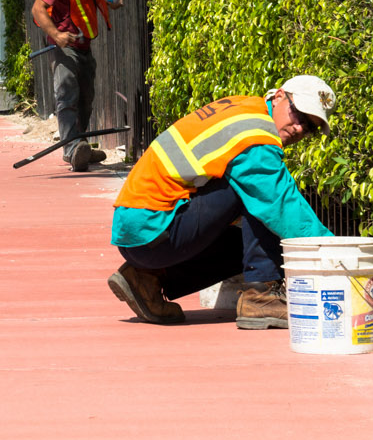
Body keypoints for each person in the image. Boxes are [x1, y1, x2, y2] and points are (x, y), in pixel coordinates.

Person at [105, 77, 337, 330]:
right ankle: (261, 296)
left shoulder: (246, 109)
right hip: (152, 232)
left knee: (246, 240)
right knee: (257, 195)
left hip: (140, 232)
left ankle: (146, 278)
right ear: (279, 95)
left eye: (309, 127)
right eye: (299, 114)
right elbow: (282, 206)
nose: (300, 128)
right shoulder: (255, 138)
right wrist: (335, 253)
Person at [31, 0, 122, 171]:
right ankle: (72, 149)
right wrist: (57, 35)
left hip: (84, 46)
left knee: (86, 99)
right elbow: (38, 8)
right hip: (65, 47)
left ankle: (80, 145)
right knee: (67, 94)